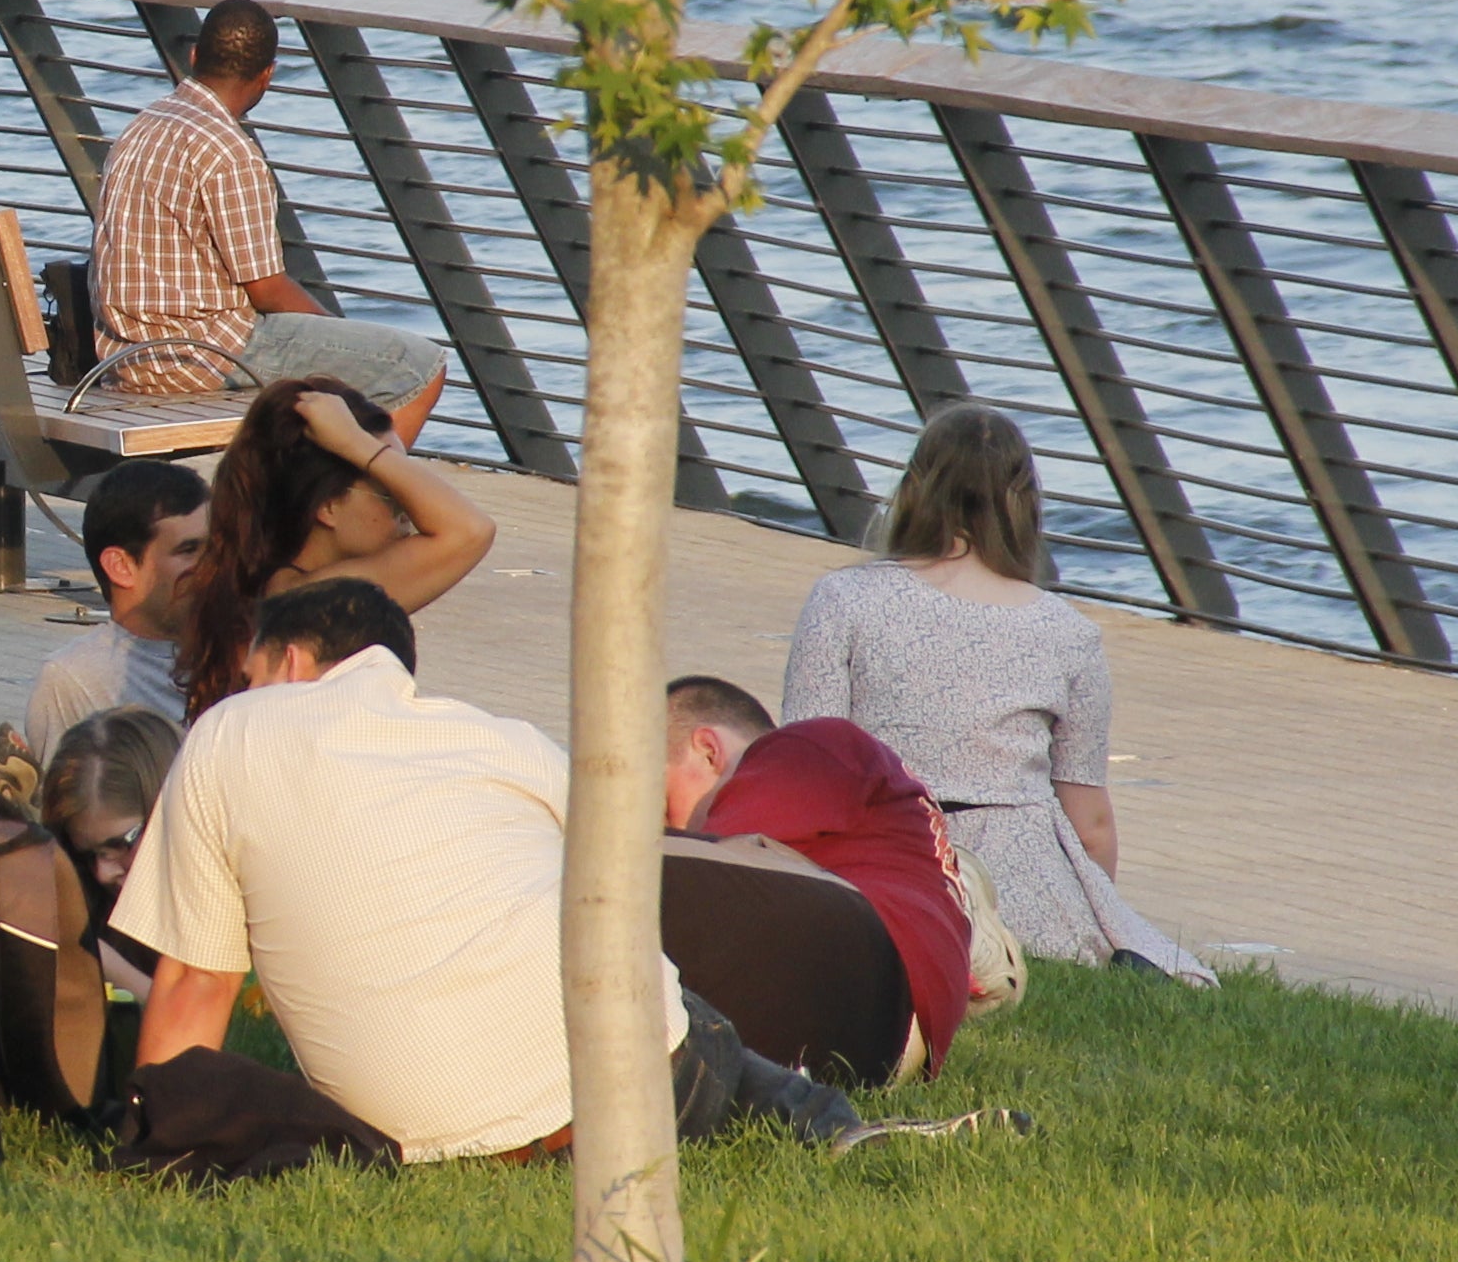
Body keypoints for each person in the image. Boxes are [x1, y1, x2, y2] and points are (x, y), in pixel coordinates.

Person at [114, 579, 1012, 1160]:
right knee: (696, 1024)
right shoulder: (503, 742)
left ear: (294, 663)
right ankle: (838, 1131)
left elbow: (196, 982)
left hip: (414, 1133)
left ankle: (819, 1120)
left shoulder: (231, 732)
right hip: (632, 1090)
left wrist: (154, 1128)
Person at [781, 402, 1215, 982]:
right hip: (1024, 880)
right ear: (1025, 503)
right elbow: (1091, 825)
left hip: (885, 856)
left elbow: (806, 766)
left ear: (915, 487)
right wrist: (1095, 907)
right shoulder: (1068, 633)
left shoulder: (841, 601)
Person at [88, 0, 449, 429]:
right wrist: (333, 332)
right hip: (204, 355)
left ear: (195, 55)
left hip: (129, 354)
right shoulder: (228, 151)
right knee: (421, 367)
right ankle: (356, 493)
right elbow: (266, 289)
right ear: (267, 75)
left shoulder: (143, 125)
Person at [663, 675, 986, 1081]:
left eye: (662, 803)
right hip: (874, 1030)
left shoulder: (808, 745)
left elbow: (721, 853)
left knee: (617, 871)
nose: (668, 825)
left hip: (870, 973)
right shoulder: (879, 823)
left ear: (709, 750)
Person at [166, 377, 500, 717]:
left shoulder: (257, 581)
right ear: (327, 506)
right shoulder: (317, 599)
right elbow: (469, 530)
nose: (410, 513)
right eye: (391, 490)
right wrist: (355, 443)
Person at [16, 456, 206, 746]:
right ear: (121, 566)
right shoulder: (76, 681)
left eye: (218, 547)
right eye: (189, 550)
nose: (214, 565)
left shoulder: (253, 650)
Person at [38, 703, 182, 987]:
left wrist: (111, 968)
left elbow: (235, 1028)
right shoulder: (81, 905)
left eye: (120, 844)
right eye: (89, 855)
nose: (102, 873)